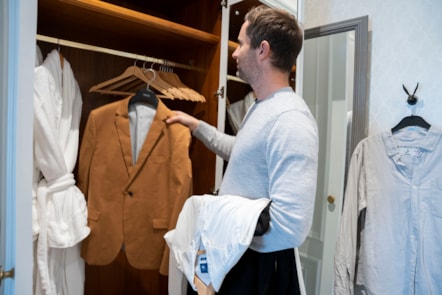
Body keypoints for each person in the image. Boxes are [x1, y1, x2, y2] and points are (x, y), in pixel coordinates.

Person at [166, 5, 318, 295]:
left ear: (262, 50)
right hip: (239, 259)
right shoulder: (262, 107)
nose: (234, 52)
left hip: (257, 271)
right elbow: (245, 152)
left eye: (241, 43)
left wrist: (225, 237)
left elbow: (291, 226)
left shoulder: (291, 120)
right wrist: (197, 126)